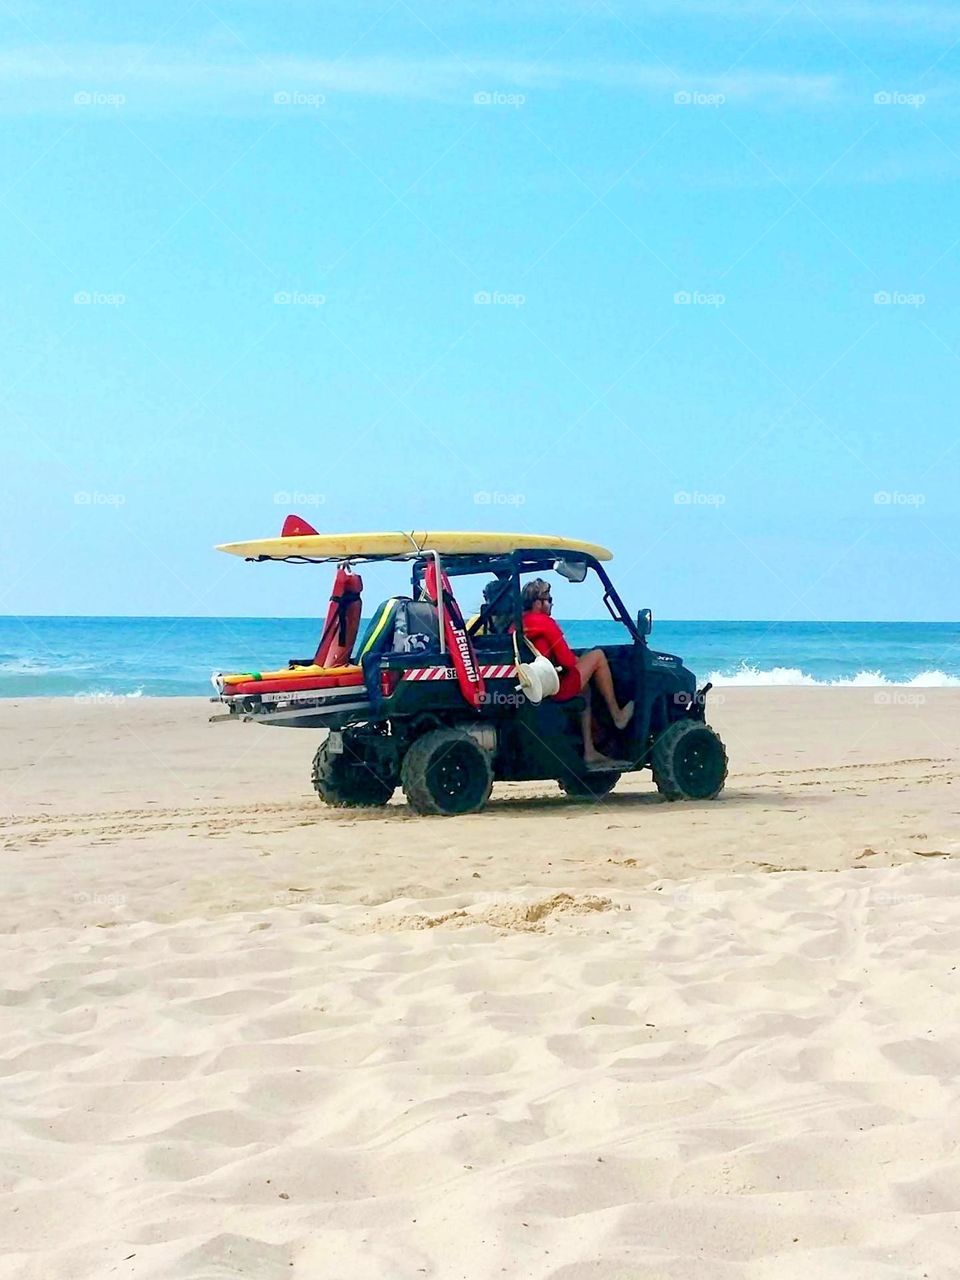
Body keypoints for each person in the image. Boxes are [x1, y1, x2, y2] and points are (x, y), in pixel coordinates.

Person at [521, 577, 634, 765]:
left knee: (586, 690)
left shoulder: (518, 623)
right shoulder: (545, 622)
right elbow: (566, 660)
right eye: (549, 600)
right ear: (538, 603)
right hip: (556, 687)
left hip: (537, 683)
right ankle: (617, 715)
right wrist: (581, 662)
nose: (551, 604)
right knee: (597, 655)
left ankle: (589, 750)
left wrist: (579, 661)